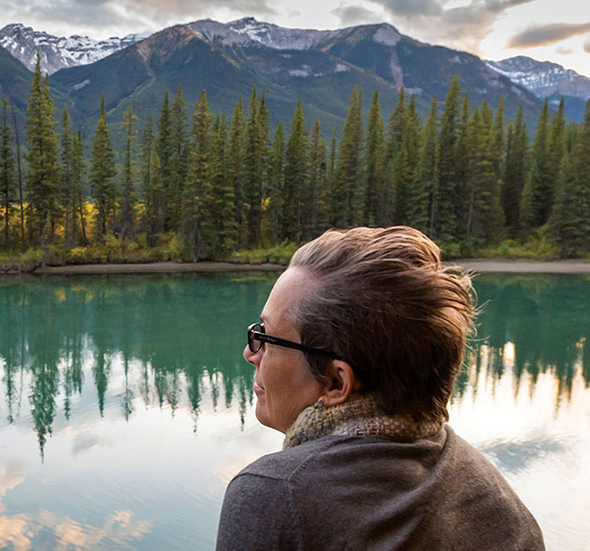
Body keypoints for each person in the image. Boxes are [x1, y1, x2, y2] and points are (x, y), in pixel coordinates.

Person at [215, 226, 544, 551]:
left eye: (266, 338)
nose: (251, 353)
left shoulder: (275, 494)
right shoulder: (499, 500)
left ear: (336, 382)